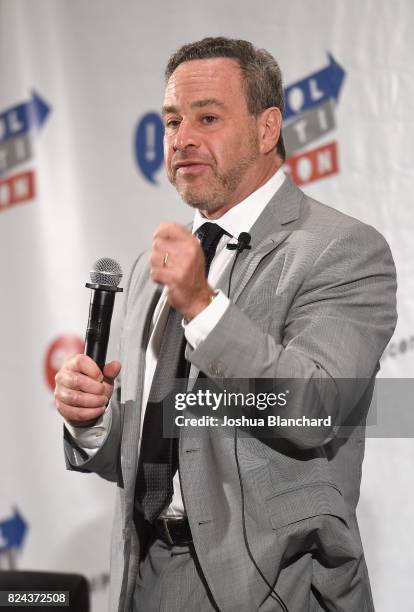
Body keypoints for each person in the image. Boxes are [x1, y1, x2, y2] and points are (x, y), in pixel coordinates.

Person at [55, 37, 397, 612]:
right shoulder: (151, 268)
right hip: (145, 579)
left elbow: (313, 410)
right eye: (170, 121)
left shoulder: (342, 249)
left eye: (207, 117)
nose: (181, 139)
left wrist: (202, 306)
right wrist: (92, 422)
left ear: (268, 129)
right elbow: (158, 452)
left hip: (274, 587)